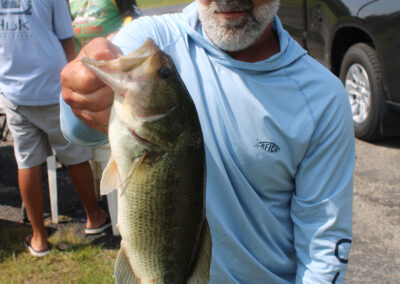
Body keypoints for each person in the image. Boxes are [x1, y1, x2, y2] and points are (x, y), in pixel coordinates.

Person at [60, 0, 355, 282]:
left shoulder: (322, 97)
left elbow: (324, 240)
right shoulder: (155, 40)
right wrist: (82, 88)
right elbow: (76, 130)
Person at [0, 0, 110, 257]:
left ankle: (39, 237)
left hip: (13, 88)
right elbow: (67, 41)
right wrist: (77, 83)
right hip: (51, 86)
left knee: (27, 162)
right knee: (75, 155)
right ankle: (93, 216)